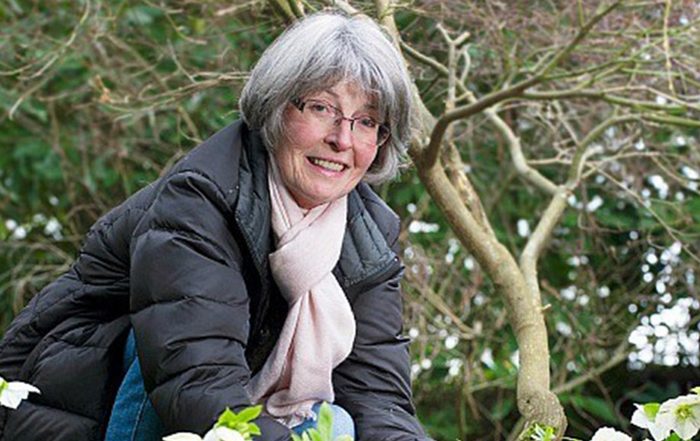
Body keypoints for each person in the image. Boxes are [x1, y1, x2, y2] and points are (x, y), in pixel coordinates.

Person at [0, 11, 431, 441]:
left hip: (220, 404)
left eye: (367, 122)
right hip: (82, 398)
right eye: (322, 108)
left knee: (334, 425)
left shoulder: (370, 237)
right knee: (153, 351)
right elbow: (195, 376)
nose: (342, 139)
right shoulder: (199, 200)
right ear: (277, 106)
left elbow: (378, 397)